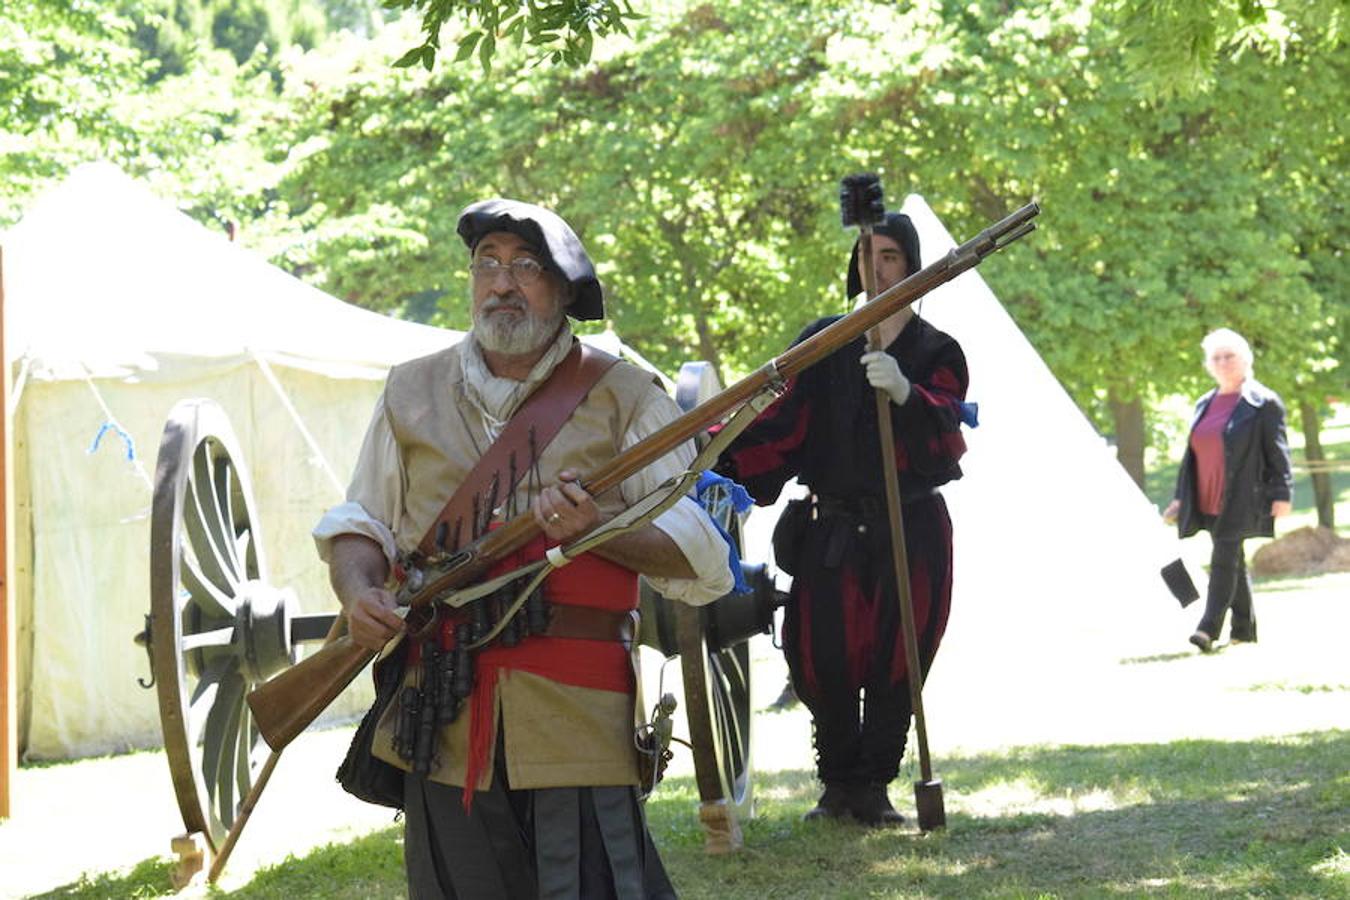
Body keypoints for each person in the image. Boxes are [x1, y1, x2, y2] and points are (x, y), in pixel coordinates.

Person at [314, 198, 733, 899]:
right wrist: (358, 592)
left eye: (526, 268)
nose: (501, 284)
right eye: (487, 266)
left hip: (578, 712)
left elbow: (701, 561)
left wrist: (600, 525)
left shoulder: (626, 396)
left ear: (564, 291)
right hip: (441, 712)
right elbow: (364, 522)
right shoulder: (408, 389)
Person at [715, 211, 968, 826]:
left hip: (910, 531)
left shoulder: (937, 350)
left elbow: (947, 433)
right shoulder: (824, 342)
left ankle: (874, 788)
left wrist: (909, 395)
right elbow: (780, 423)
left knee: (896, 658)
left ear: (910, 264)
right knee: (824, 654)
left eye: (888, 257)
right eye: (866, 257)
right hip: (832, 531)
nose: (875, 269)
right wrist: (714, 453)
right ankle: (837, 788)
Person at [1162, 328, 1292, 653]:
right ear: (1209, 364)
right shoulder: (1204, 403)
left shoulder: (1263, 403)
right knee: (1233, 557)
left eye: (1229, 355)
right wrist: (1180, 497)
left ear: (1245, 359)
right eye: (1216, 357)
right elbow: (1191, 455)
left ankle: (1208, 628)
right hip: (1206, 494)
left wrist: (1282, 492)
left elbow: (1278, 451)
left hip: (1243, 495)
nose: (1222, 362)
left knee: (1223, 556)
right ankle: (1244, 630)